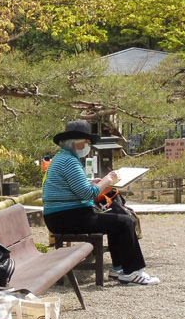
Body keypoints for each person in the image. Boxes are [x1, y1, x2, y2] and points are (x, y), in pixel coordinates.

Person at [42, 120, 160, 285]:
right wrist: (107, 180)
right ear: (76, 143)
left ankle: (119, 268)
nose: (88, 145)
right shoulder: (69, 161)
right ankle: (132, 271)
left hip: (62, 216)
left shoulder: (62, 158)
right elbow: (88, 194)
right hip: (68, 217)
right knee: (125, 221)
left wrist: (93, 182)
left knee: (118, 214)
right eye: (87, 142)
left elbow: (76, 188)